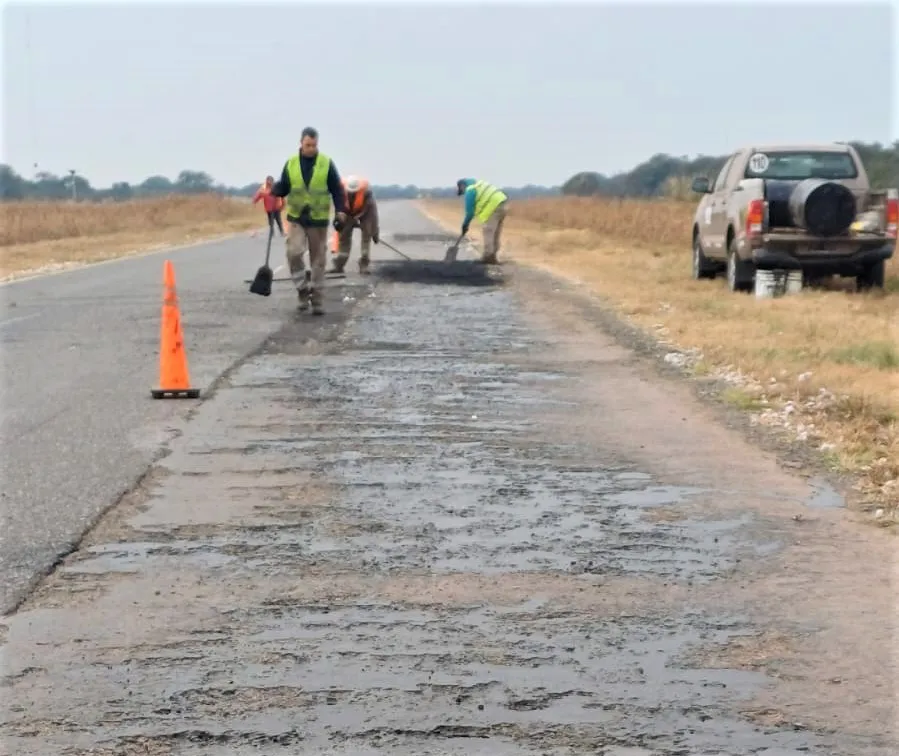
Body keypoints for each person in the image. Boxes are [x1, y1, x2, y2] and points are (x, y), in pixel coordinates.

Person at [270, 127, 348, 315]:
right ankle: (302, 290)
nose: (311, 149)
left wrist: (340, 211)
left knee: (318, 261)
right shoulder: (291, 163)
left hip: (318, 219)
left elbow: (337, 190)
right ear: (301, 143)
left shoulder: (326, 163)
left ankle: (317, 299)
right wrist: (275, 190)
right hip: (296, 217)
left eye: (314, 145)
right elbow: (285, 186)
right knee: (294, 253)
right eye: (308, 145)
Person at [330, 175, 380, 275]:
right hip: (347, 213)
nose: (352, 193)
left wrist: (374, 232)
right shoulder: (340, 191)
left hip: (365, 213)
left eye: (354, 191)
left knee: (366, 236)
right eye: (350, 191)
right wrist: (338, 221)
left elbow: (373, 215)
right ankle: (339, 265)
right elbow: (338, 208)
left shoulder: (367, 194)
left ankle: (364, 265)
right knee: (343, 238)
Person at [456, 177, 508, 264]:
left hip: (493, 206)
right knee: (495, 233)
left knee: (488, 231)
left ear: (462, 186)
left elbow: (470, 212)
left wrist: (465, 225)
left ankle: (488, 257)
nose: (464, 193)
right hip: (503, 204)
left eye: (462, 191)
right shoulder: (479, 184)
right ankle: (493, 256)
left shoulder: (470, 190)